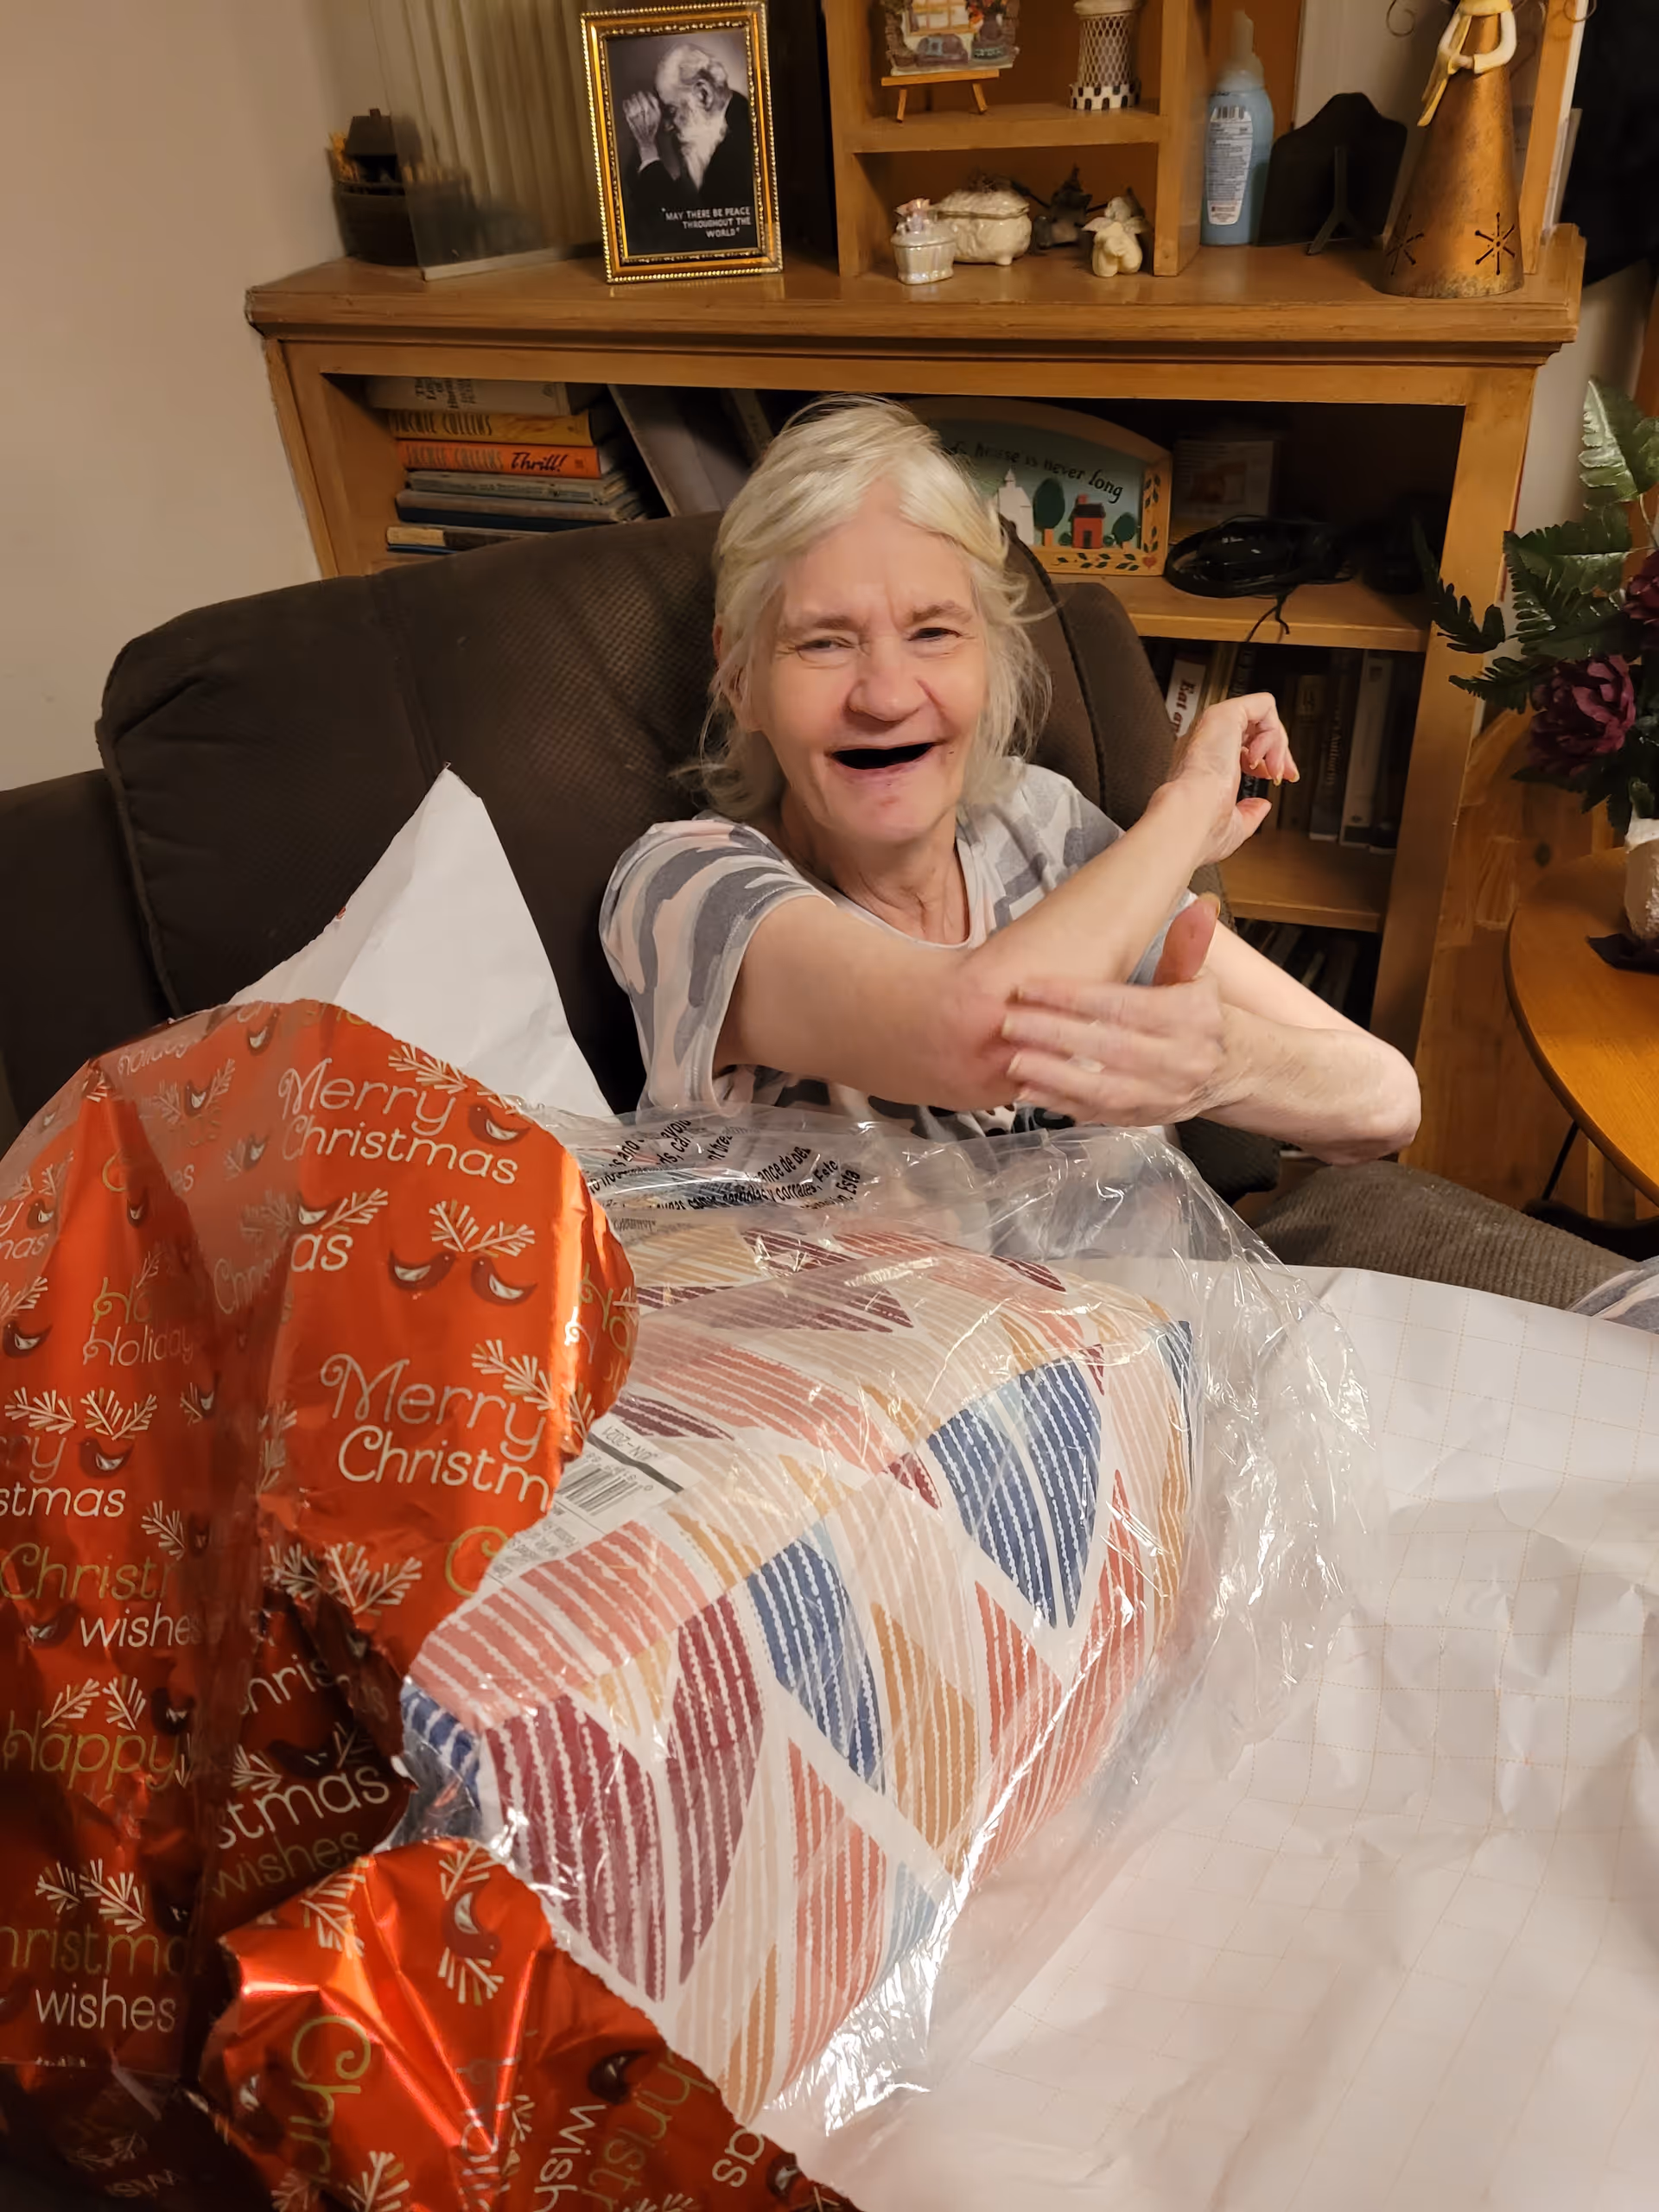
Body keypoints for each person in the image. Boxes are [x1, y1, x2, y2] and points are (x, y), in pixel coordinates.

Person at [601, 398, 1421, 1162]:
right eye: (822, 642)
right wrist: (1187, 803)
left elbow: (1387, 1102)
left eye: (933, 632)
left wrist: (1222, 1065)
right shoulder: (685, 888)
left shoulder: (1040, 825)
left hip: (1123, 1308)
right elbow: (977, 1037)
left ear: (988, 661)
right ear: (740, 678)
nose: (886, 696)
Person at [619, 42, 757, 258]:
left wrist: (648, 149)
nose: (666, 126)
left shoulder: (741, 144)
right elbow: (681, 205)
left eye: (670, 110)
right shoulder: (717, 133)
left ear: (703, 95)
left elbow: (690, 237)